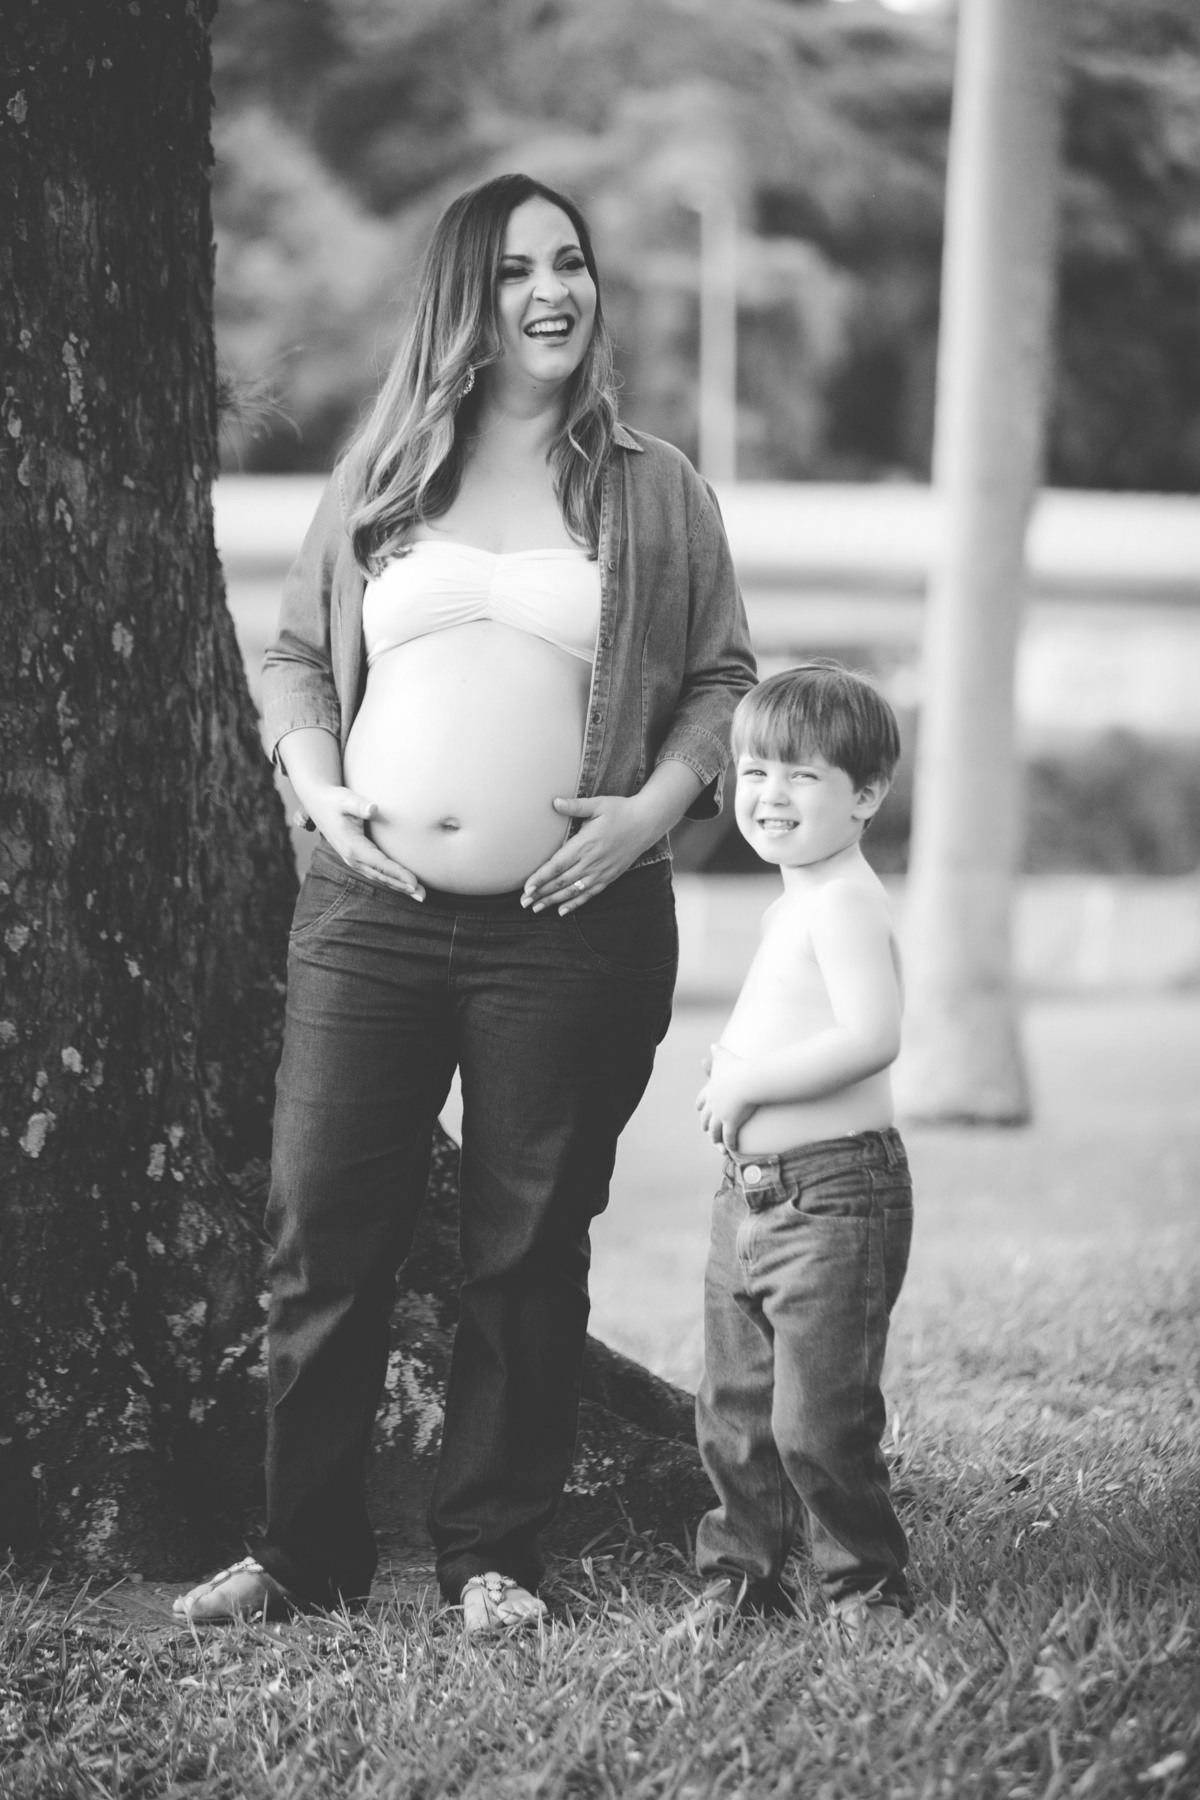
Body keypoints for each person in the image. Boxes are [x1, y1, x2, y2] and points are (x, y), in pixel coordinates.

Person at [174, 173, 755, 1633]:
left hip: (571, 928)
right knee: (320, 1231)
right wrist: (318, 787)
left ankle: (493, 1555)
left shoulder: (654, 487)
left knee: (525, 1250)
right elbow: (295, 656)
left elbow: (721, 680)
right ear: (464, 298)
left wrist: (647, 816)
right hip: (367, 917)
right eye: (514, 270)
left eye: (571, 263)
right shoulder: (383, 470)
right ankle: (301, 1553)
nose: (552, 291)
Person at [682, 661, 913, 1638]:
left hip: (831, 1195)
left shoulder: (846, 901)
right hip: (749, 1196)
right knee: (734, 1409)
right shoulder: (795, 902)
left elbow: (871, 1035)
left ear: (866, 796)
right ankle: (742, 1582)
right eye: (754, 772)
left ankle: (865, 1589)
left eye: (801, 776)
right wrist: (733, 1063)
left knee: (817, 1418)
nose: (769, 794)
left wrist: (750, 1083)